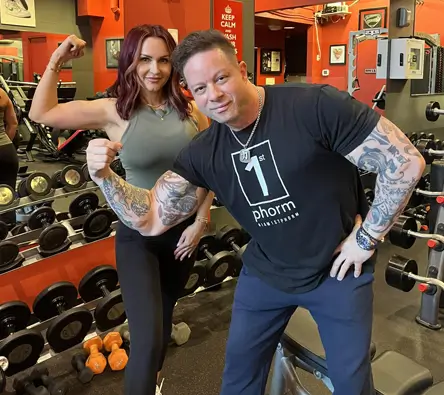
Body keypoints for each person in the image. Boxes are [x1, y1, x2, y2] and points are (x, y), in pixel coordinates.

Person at [85, 29, 426, 395]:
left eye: (221, 78)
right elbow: (151, 219)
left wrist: (368, 237)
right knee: (238, 381)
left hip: (338, 270)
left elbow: (404, 162)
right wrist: (103, 176)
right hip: (266, 274)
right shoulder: (204, 151)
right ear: (190, 93)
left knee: (351, 385)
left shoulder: (313, 105)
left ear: (243, 70)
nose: (213, 95)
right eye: (200, 89)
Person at [28, 25, 213, 395]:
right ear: (129, 61)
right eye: (144, 59)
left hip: (183, 237)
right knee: (145, 342)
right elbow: (42, 112)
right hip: (138, 240)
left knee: (160, 334)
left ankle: (151, 385)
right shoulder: (115, 110)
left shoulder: (192, 111)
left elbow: (209, 168)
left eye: (163, 60)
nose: (154, 70)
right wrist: (56, 61)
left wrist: (202, 220)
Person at [0, 87, 19, 227]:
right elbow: (13, 124)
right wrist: (6, 144)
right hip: (6, 151)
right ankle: (10, 236)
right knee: (7, 194)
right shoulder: (1, 93)